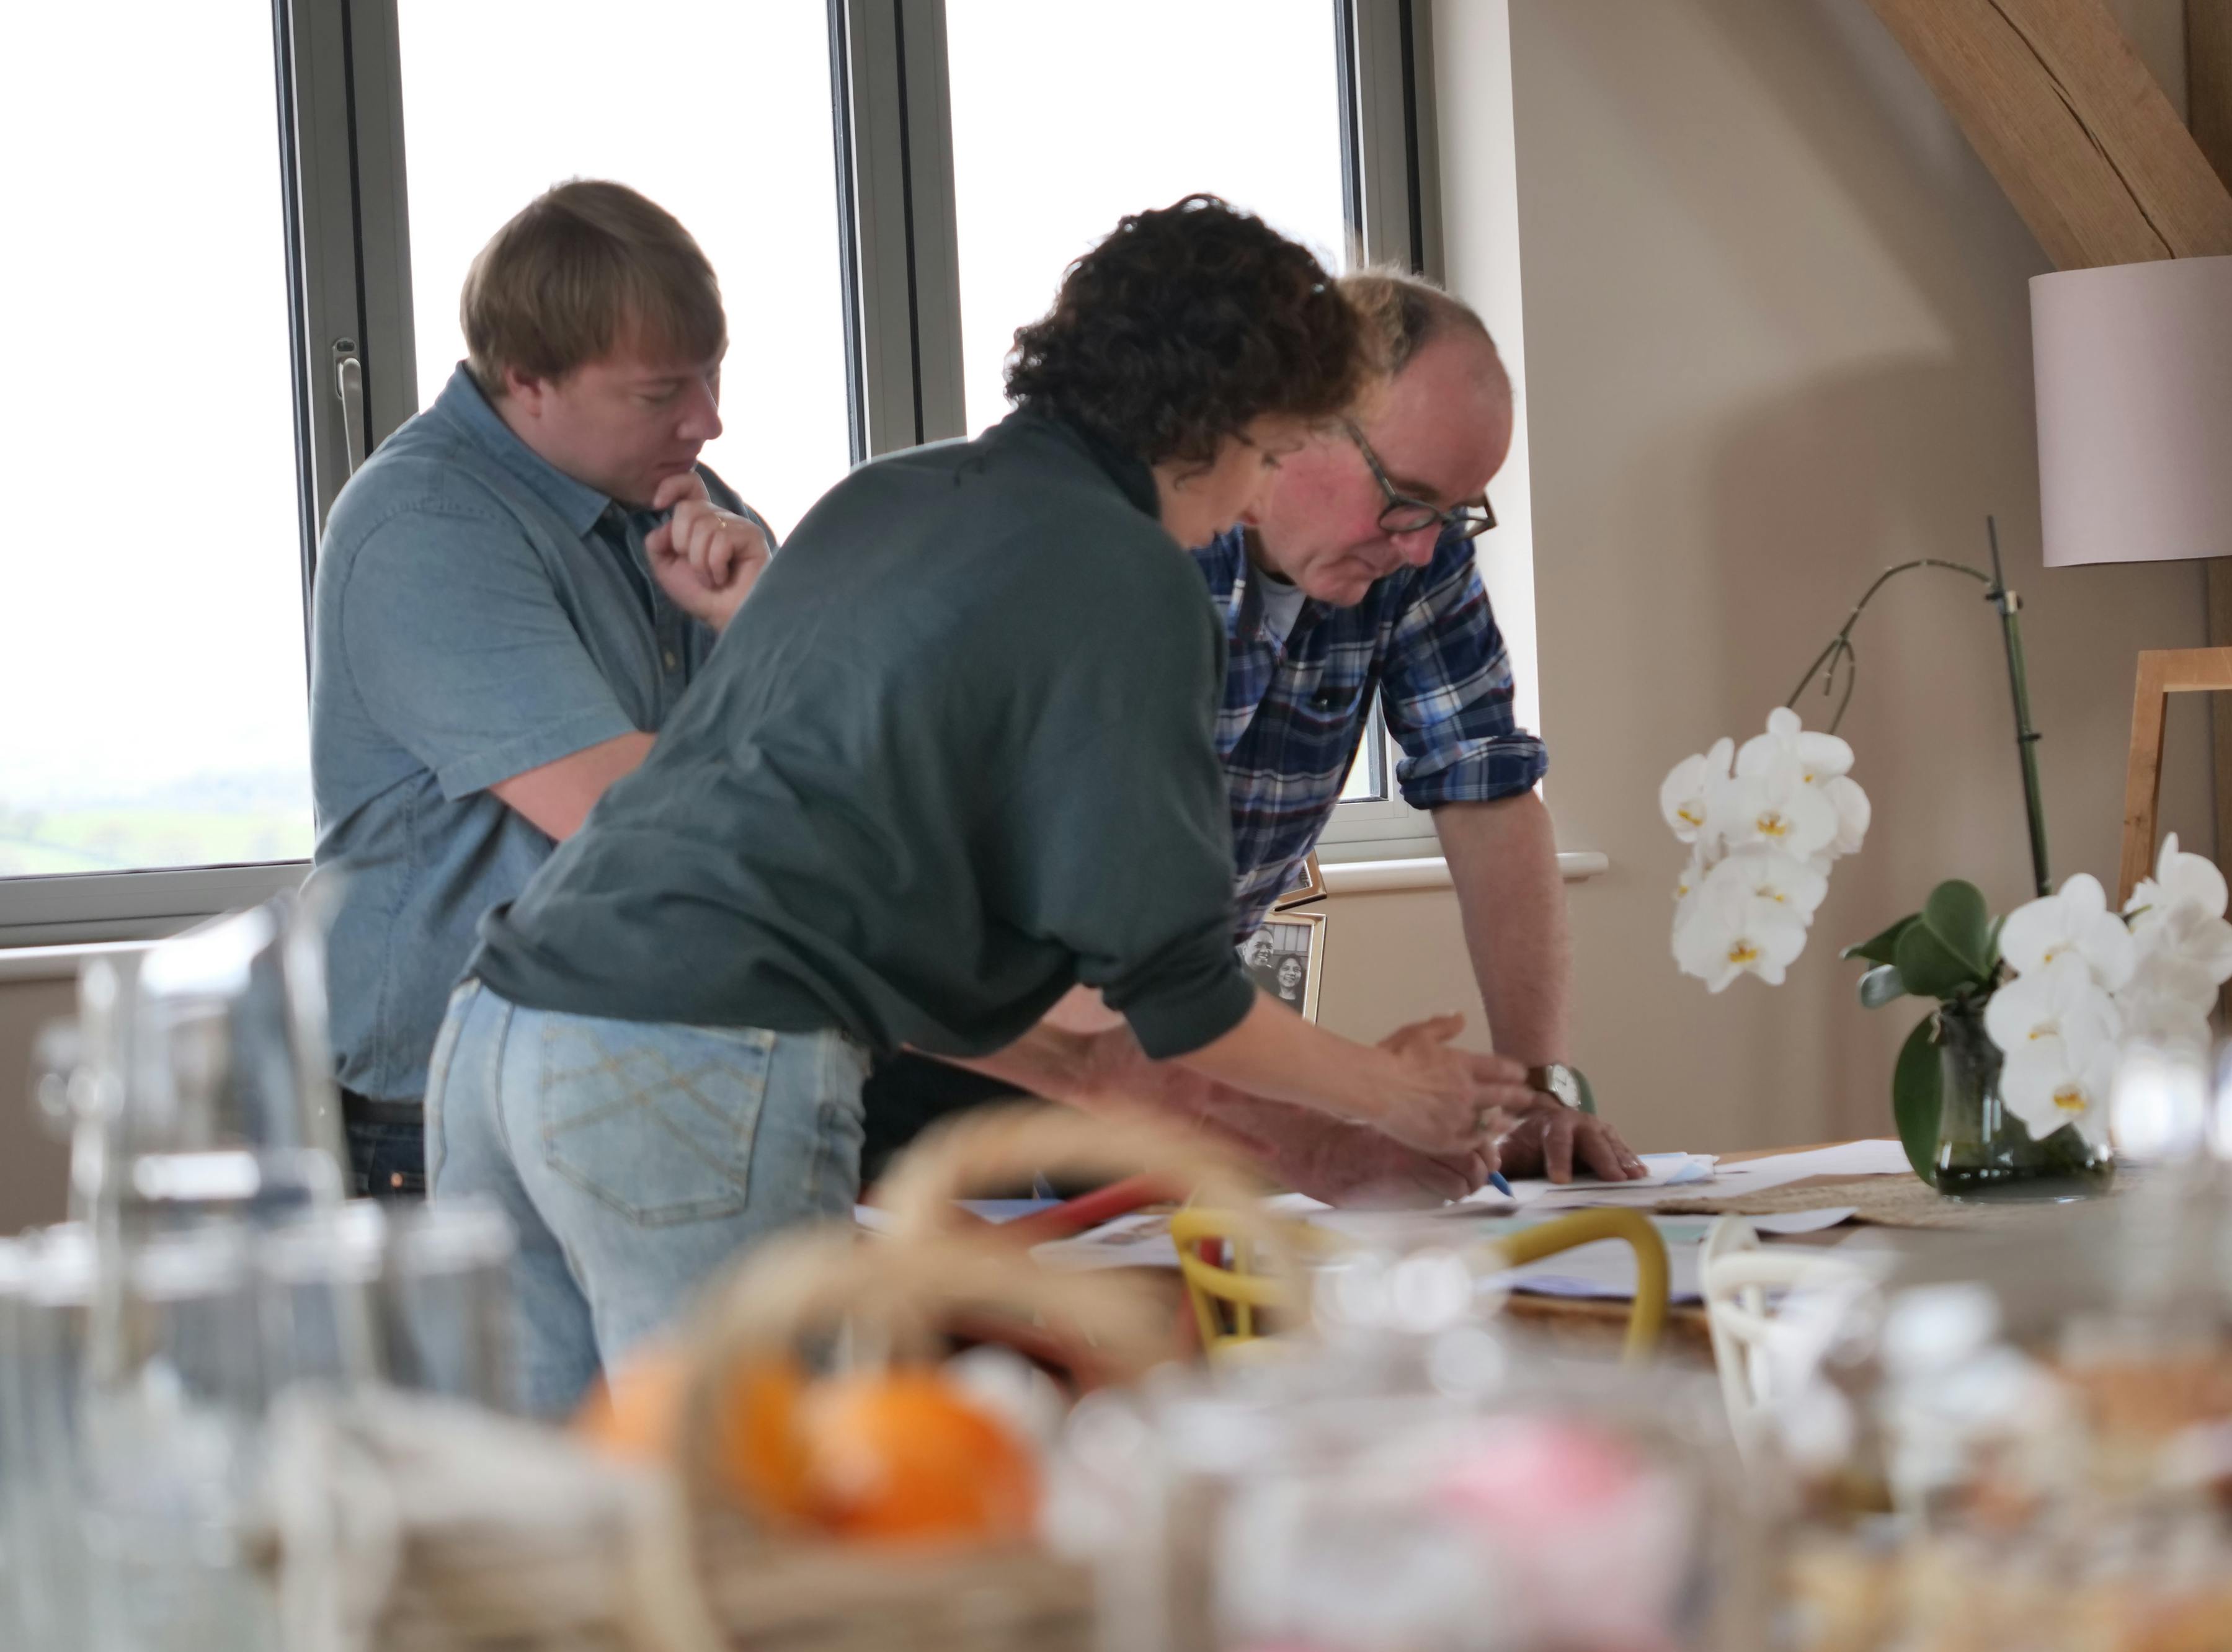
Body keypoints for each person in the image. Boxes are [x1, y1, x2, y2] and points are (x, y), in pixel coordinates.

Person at [426, 197, 1527, 1416]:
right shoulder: (1126, 572)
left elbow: (864, 906)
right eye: (1270, 455)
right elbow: (1180, 996)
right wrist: (1396, 1092)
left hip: (500, 1032)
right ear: (1216, 426)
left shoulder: (891, 496)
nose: (1250, 499)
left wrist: (1283, 1126)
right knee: (755, 1496)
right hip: (695, 1051)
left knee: (559, 1499)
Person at [863, 271, 1643, 1197]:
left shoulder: (1410, 553)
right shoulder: (1115, 546)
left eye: (1454, 512)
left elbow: (1488, 790)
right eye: (1406, 497)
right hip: (926, 1039)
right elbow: (1073, 942)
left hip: (1140, 1051)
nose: (1425, 544)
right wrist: (1325, 1135)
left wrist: (1539, 1089)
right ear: (1298, 422)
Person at [308, 182, 772, 1200]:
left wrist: (757, 620)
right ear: (528, 381)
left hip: (636, 1073)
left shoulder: (692, 508)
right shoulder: (424, 524)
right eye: (661, 393)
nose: (709, 420)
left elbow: (830, 755)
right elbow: (632, 817)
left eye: (712, 374)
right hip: (443, 1120)